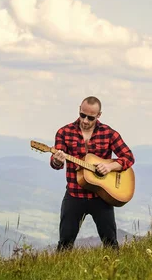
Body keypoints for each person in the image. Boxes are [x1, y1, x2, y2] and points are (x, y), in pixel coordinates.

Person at [50, 96, 135, 252]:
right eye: (83, 115)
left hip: (101, 197)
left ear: (99, 115)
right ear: (79, 110)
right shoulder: (64, 132)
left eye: (91, 117)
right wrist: (57, 160)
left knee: (110, 243)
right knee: (64, 244)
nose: (85, 120)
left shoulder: (109, 133)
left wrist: (110, 167)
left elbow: (128, 157)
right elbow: (56, 164)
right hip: (74, 195)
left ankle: (115, 272)